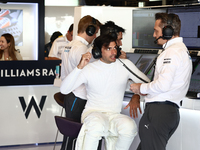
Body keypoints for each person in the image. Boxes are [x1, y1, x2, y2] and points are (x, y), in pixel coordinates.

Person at [60, 34, 150, 150]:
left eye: (115, 48)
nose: (113, 52)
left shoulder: (125, 65)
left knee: (129, 126)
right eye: (108, 49)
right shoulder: (89, 68)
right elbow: (64, 89)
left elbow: (147, 84)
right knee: (97, 125)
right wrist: (79, 67)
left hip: (114, 115)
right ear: (98, 52)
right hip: (93, 113)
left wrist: (136, 95)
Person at [129, 13, 192, 150]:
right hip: (165, 112)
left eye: (156, 30)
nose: (153, 35)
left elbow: (163, 85)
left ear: (167, 31)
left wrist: (141, 88)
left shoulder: (172, 52)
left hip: (160, 112)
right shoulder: (180, 50)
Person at [60, 15, 101, 150]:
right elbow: (88, 73)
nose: (95, 36)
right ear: (89, 31)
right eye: (95, 32)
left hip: (71, 96)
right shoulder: (82, 49)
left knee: (69, 137)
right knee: (75, 136)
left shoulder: (69, 45)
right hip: (79, 97)